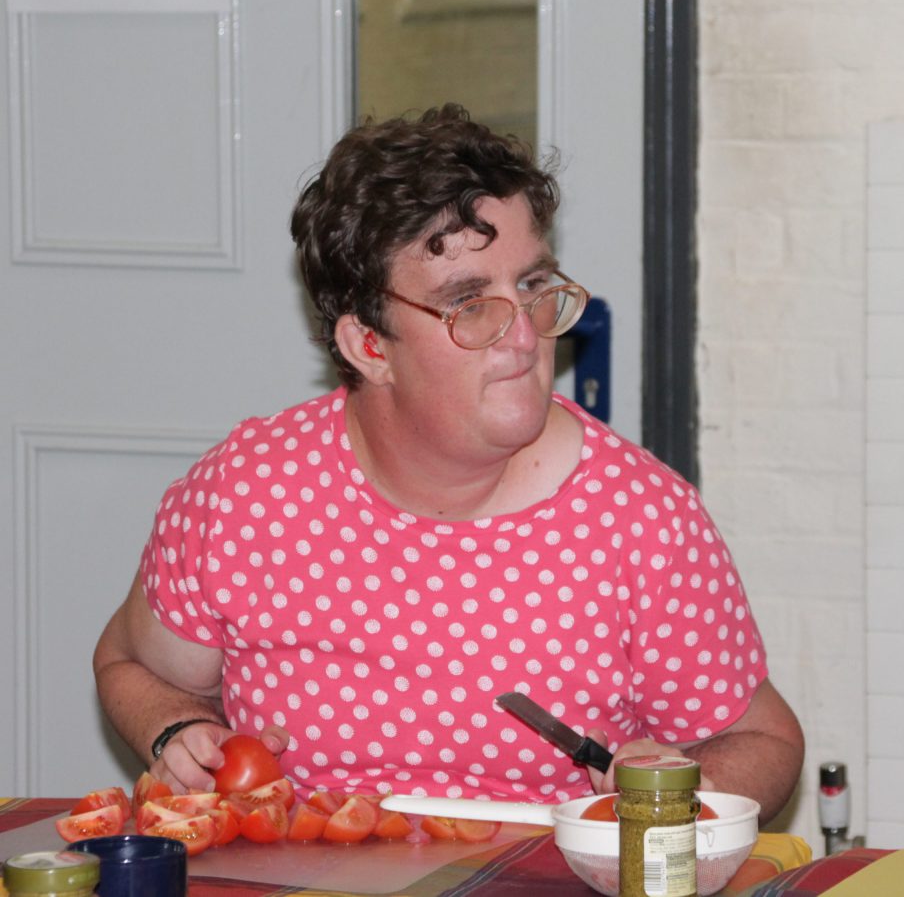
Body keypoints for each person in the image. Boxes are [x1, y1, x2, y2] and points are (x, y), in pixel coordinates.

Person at [94, 103, 803, 825]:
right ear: (370, 346)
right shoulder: (248, 494)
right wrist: (177, 729)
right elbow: (130, 664)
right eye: (469, 305)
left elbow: (765, 742)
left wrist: (685, 784)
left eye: (530, 288)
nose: (524, 338)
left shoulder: (639, 516)